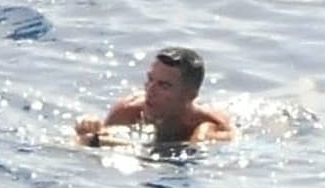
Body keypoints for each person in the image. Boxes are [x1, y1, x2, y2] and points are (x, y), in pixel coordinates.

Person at [75, 46, 234, 147]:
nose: (150, 91)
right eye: (150, 80)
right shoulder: (127, 110)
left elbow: (196, 148)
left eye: (164, 86)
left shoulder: (207, 124)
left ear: (190, 96)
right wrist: (89, 127)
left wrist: (96, 141)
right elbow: (90, 140)